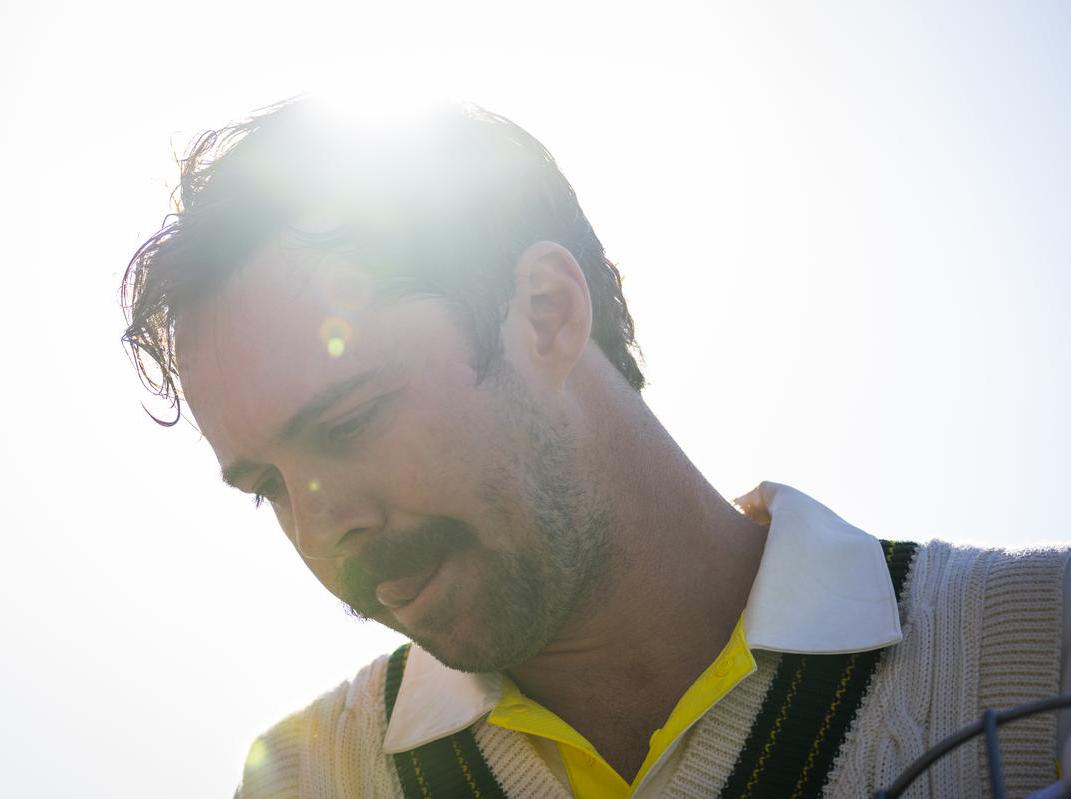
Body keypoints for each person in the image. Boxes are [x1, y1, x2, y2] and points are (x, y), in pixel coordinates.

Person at [120, 96, 1070, 798]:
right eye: (267, 486)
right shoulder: (303, 782)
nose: (324, 529)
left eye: (349, 422)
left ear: (548, 312)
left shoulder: (1041, 641)